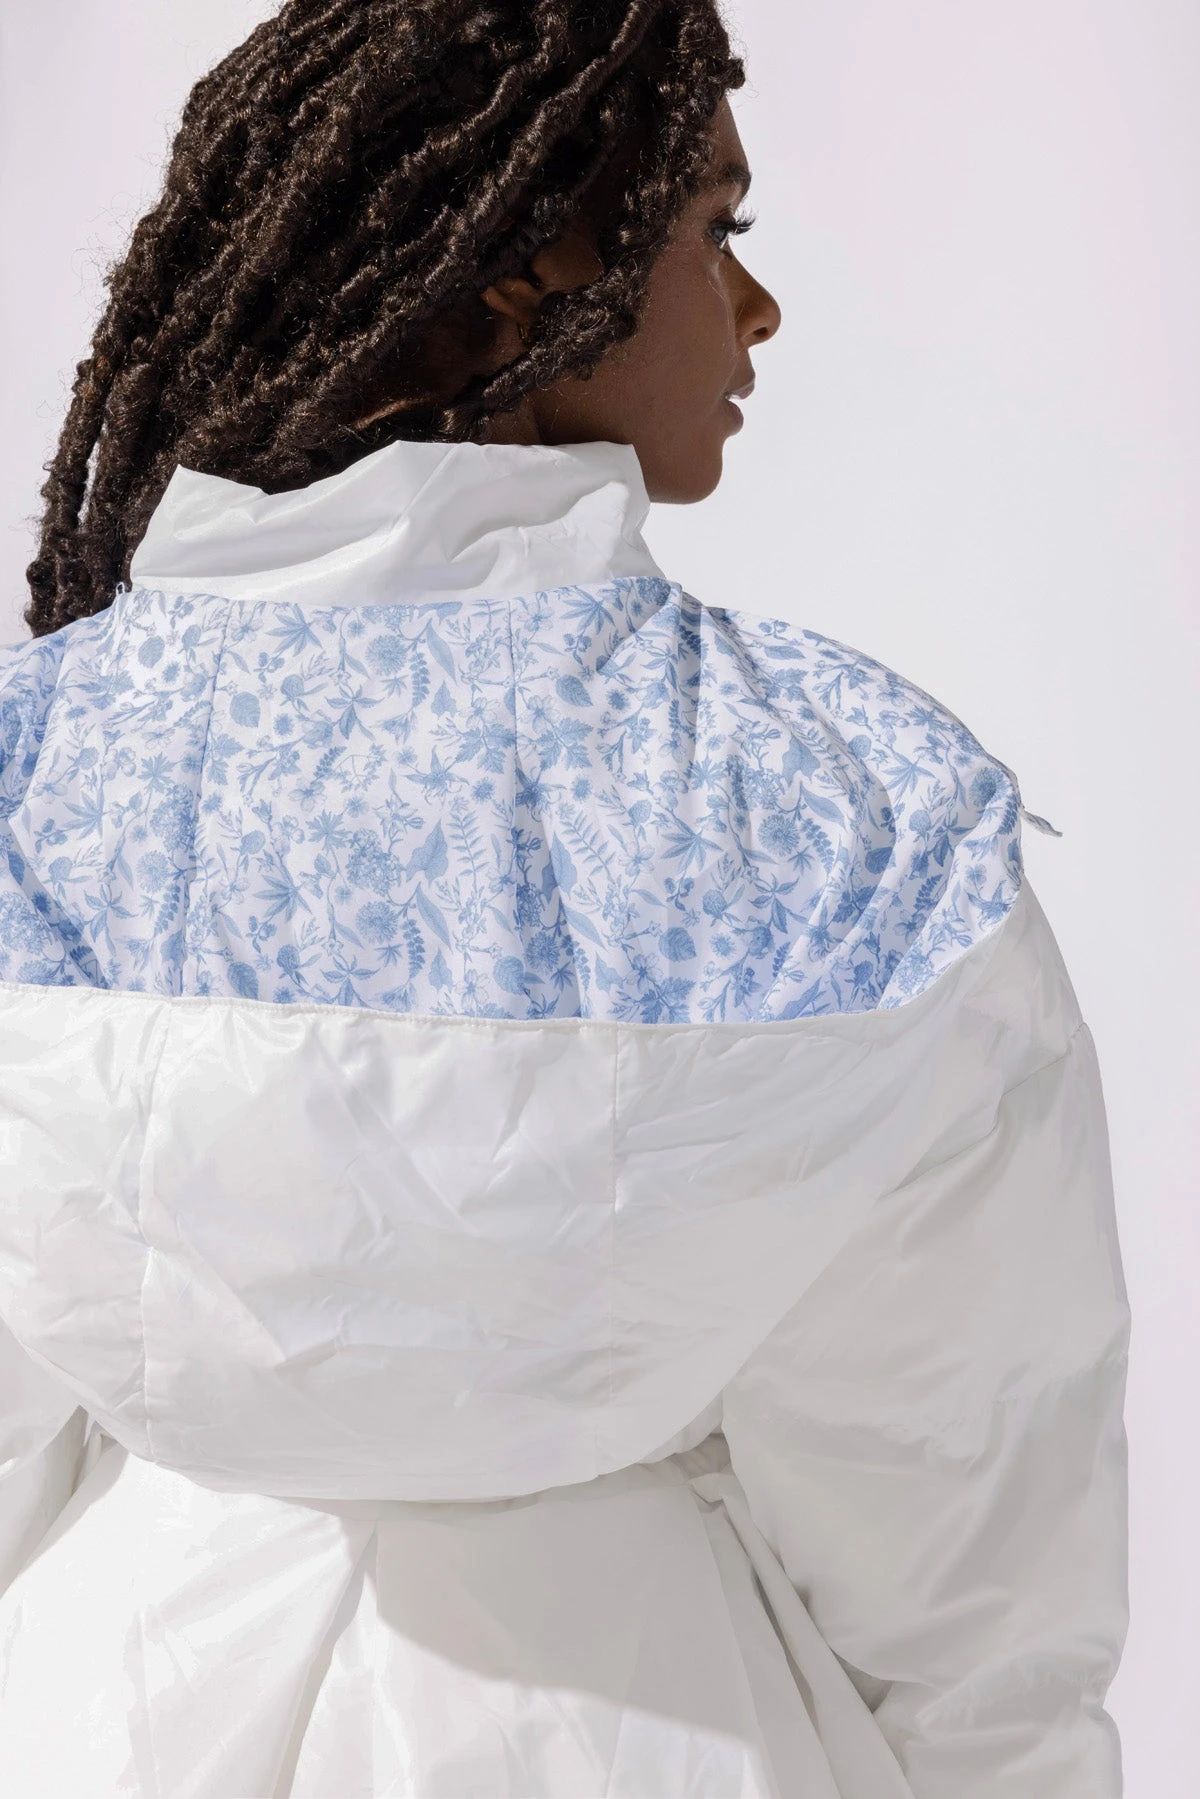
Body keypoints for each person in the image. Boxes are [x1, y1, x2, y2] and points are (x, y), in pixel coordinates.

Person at [0, 2, 1129, 1794]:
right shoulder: (852, 820)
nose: (756, 307)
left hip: (108, 1712)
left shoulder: (37, 777)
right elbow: (961, 1517)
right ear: (531, 271)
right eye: (717, 229)